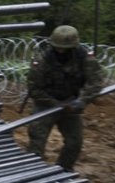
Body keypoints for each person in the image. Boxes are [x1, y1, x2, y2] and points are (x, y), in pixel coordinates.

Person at [26, 24, 105, 171]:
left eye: (64, 48)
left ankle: (63, 170)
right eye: (57, 47)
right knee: (37, 141)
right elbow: (34, 89)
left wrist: (82, 100)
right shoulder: (42, 60)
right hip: (46, 104)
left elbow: (96, 82)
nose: (60, 50)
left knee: (74, 142)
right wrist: (54, 103)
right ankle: (31, 172)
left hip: (71, 102)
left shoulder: (85, 58)